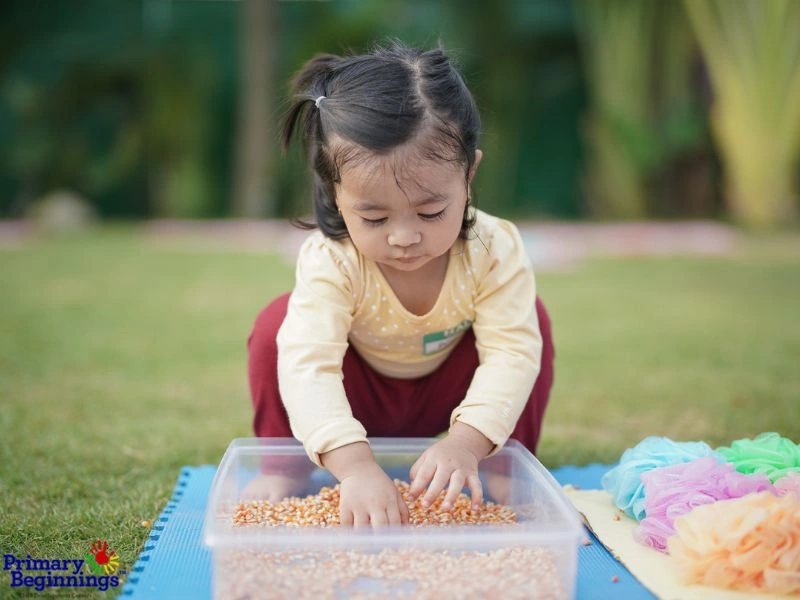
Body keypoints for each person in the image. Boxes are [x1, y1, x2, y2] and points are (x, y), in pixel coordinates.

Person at [247, 40, 555, 528]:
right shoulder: (334, 259)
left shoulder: (494, 249)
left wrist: (465, 443)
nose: (405, 237)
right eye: (373, 216)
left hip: (450, 394)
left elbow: (512, 354)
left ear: (469, 174)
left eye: (432, 212)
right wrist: (353, 468)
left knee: (530, 321)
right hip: (359, 392)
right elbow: (309, 365)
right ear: (335, 193)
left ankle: (501, 467)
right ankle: (283, 466)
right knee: (275, 326)